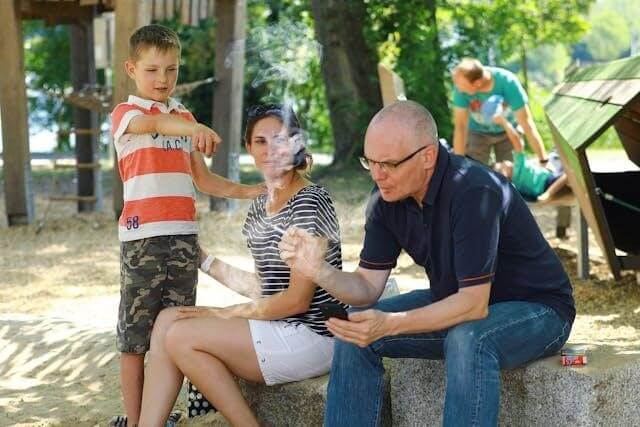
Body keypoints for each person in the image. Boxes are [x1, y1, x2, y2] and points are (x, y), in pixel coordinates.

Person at [279, 100, 575, 426]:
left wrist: (391, 323)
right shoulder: (385, 199)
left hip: (538, 310)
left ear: (428, 156)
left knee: (468, 339)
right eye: (370, 162)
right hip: (458, 303)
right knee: (354, 328)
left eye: (389, 164)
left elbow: (473, 307)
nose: (378, 175)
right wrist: (317, 269)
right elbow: (366, 287)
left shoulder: (473, 190)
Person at [137, 104, 346, 427]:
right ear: (249, 148)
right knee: (167, 320)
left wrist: (221, 313)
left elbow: (296, 300)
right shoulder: (261, 206)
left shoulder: (309, 201)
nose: (270, 150)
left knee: (181, 336)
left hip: (315, 334)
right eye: (260, 142)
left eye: (279, 140)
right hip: (280, 324)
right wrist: (204, 260)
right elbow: (265, 288)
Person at [110, 25, 263, 427]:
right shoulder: (127, 116)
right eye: (152, 70)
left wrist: (253, 191)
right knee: (135, 340)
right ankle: (135, 419)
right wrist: (192, 129)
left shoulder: (184, 117)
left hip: (183, 239)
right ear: (131, 69)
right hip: (143, 240)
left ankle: (157, 416)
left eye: (172, 70)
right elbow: (154, 127)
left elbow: (205, 181)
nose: (163, 80)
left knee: (173, 332)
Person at [452, 57, 549, 166]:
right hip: (477, 133)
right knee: (476, 171)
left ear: (478, 83)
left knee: (510, 173)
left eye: (462, 86)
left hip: (507, 132)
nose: (459, 89)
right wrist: (458, 165)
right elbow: (460, 127)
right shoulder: (460, 89)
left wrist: (543, 160)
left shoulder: (507, 82)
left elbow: (526, 123)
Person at [492, 113, 568, 202]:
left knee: (548, 158)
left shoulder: (515, 183)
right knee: (569, 175)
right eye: (502, 165)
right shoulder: (517, 168)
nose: (504, 161)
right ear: (505, 174)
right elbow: (516, 142)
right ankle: (548, 193)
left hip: (538, 190)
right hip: (547, 181)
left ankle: (549, 190)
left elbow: (520, 144)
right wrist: (504, 122)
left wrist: (520, 133)